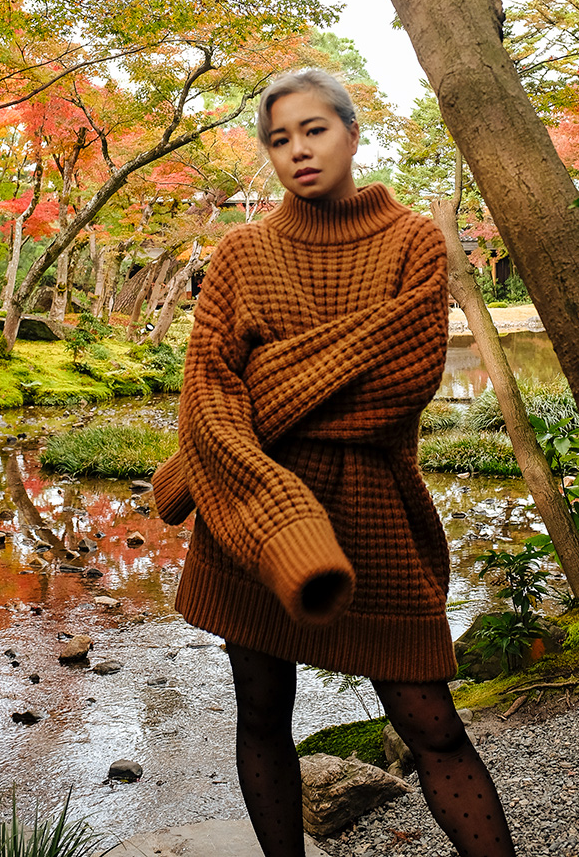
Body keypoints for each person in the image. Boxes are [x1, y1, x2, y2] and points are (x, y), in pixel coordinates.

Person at [153, 69, 515, 857]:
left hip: (374, 517)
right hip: (247, 517)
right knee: (261, 711)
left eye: (314, 130)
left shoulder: (413, 240)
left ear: (352, 133)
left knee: (432, 725)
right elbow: (207, 395)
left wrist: (264, 382)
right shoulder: (243, 252)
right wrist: (267, 476)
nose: (297, 151)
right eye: (278, 139)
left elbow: (404, 382)